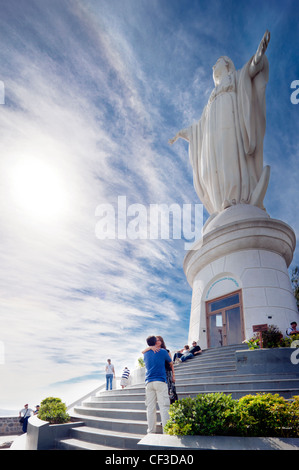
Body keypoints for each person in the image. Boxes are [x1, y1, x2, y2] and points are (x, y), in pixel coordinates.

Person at [169, 31, 271, 216]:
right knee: (209, 169)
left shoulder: (236, 78)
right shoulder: (210, 100)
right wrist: (183, 133)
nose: (213, 66)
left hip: (230, 123)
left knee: (230, 156)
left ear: (227, 65)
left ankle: (237, 198)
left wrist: (258, 56)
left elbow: (252, 70)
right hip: (211, 135)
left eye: (216, 63)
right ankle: (220, 203)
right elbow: (199, 126)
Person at [143, 335, 173, 433]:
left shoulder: (145, 353)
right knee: (164, 407)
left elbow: (144, 351)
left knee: (150, 408)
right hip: (160, 381)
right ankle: (167, 432)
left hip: (149, 383)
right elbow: (170, 362)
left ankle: (151, 432)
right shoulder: (163, 351)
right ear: (155, 342)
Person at [143, 335, 177, 404]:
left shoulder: (166, 351)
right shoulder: (150, 350)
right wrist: (150, 347)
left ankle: (172, 406)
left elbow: (171, 364)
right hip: (157, 374)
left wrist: (173, 375)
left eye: (159, 340)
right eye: (157, 340)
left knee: (169, 390)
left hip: (166, 372)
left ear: (162, 342)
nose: (158, 341)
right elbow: (143, 352)